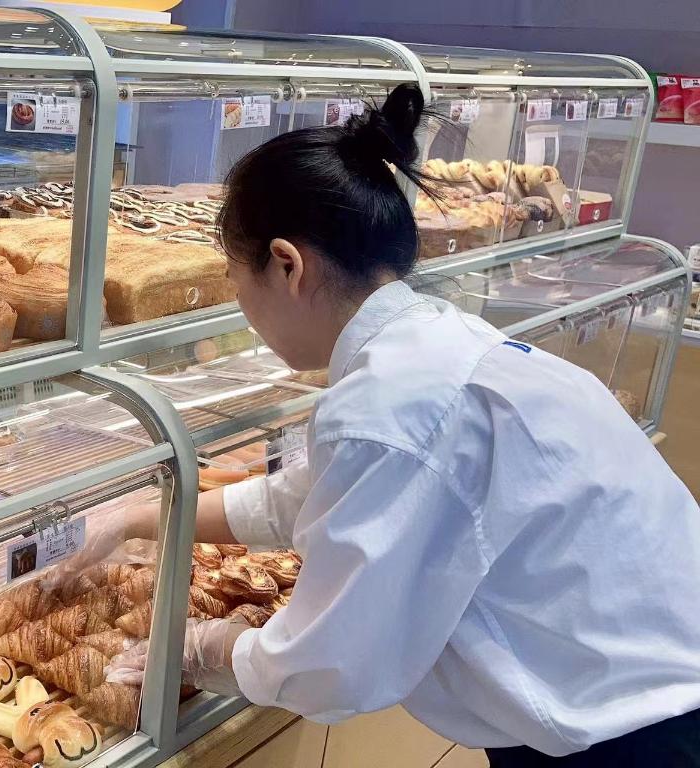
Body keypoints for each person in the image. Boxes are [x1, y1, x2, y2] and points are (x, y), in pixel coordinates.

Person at [98, 83, 700, 767]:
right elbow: (314, 494)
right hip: (645, 679)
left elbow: (330, 665)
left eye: (237, 278)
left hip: (641, 733)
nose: (240, 305)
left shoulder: (391, 404)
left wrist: (203, 649)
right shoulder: (432, 342)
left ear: (288, 265)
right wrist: (144, 517)